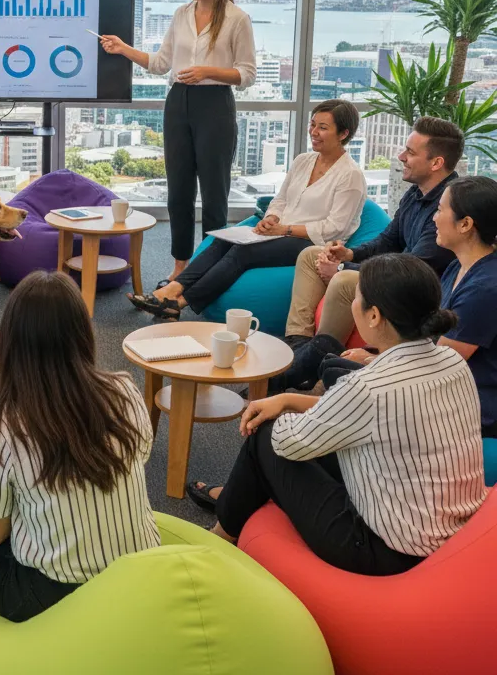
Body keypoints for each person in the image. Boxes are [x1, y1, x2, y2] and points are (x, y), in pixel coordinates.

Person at [205, 253, 485, 575]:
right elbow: (355, 416)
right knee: (305, 432)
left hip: (382, 550)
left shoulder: (370, 386)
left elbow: (287, 443)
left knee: (266, 435)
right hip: (449, 532)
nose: (353, 304)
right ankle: (232, 503)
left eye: (356, 297)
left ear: (374, 315)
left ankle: (221, 535)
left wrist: (282, 409)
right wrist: (288, 399)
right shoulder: (452, 362)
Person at [0, 271, 161, 623]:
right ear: (83, 334)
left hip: (51, 594)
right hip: (141, 572)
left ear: (9, 344)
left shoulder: (0, 425)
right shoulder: (125, 389)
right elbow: (140, 456)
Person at [101, 0, 256, 283]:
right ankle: (180, 266)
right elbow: (160, 64)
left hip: (215, 105)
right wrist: (122, 48)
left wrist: (207, 71)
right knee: (179, 192)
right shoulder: (181, 15)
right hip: (178, 103)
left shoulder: (237, 19)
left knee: (214, 194)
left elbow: (247, 74)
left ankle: (211, 268)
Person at [133, 99, 366, 321]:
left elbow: (334, 228)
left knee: (243, 252)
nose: (313, 132)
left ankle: (180, 303)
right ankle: (172, 290)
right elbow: (281, 199)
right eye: (312, 124)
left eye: (322, 128)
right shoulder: (303, 161)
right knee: (224, 240)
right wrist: (272, 218)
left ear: (343, 134)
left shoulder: (350, 175)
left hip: (312, 243)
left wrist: (284, 229)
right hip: (281, 231)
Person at [314, 177, 497, 438]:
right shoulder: (459, 266)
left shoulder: (484, 289)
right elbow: (430, 338)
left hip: (463, 404)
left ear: (465, 224)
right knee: (333, 364)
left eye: (440, 210)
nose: (434, 218)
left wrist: (374, 360)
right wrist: (376, 356)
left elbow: (440, 365)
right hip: (432, 381)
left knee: (336, 372)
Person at [282, 116, 462, 353]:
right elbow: (389, 240)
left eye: (410, 152)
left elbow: (416, 267)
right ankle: (298, 342)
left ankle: (318, 355)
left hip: (413, 289)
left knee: (344, 281)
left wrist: (342, 268)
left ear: (436, 163)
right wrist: (349, 254)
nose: (401, 157)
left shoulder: (449, 207)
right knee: (310, 255)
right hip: (397, 272)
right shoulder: (415, 193)